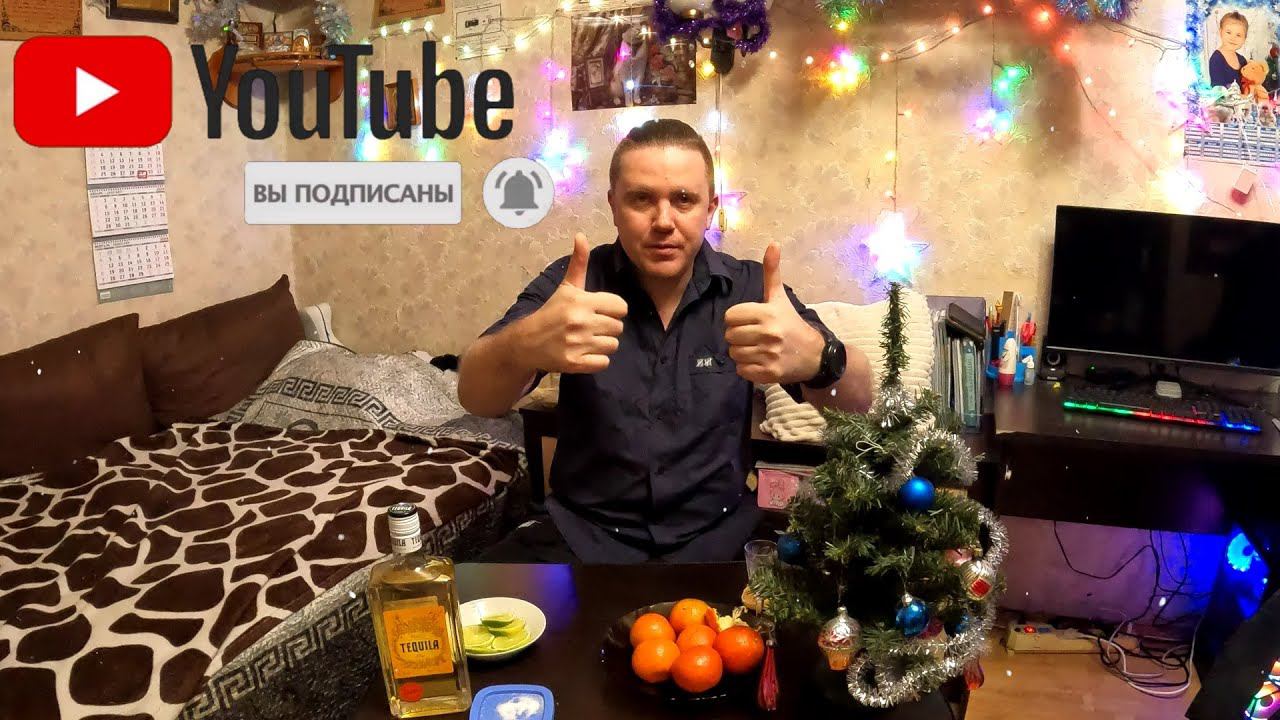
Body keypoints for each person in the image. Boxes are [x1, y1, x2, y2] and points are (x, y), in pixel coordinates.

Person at [459, 118, 873, 563]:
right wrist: (520, 344)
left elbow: (859, 401)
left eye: (683, 200)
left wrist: (822, 358)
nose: (663, 221)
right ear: (613, 205)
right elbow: (475, 397)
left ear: (709, 208)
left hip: (718, 538)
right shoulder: (572, 286)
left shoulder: (751, 288)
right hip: (583, 535)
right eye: (641, 199)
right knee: (464, 599)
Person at [1209, 12, 1250, 89]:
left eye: (1238, 35)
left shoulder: (1242, 60)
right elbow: (1218, 90)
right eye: (1228, 32)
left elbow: (1247, 84)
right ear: (1221, 32)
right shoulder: (1217, 59)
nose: (1233, 38)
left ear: (1244, 38)